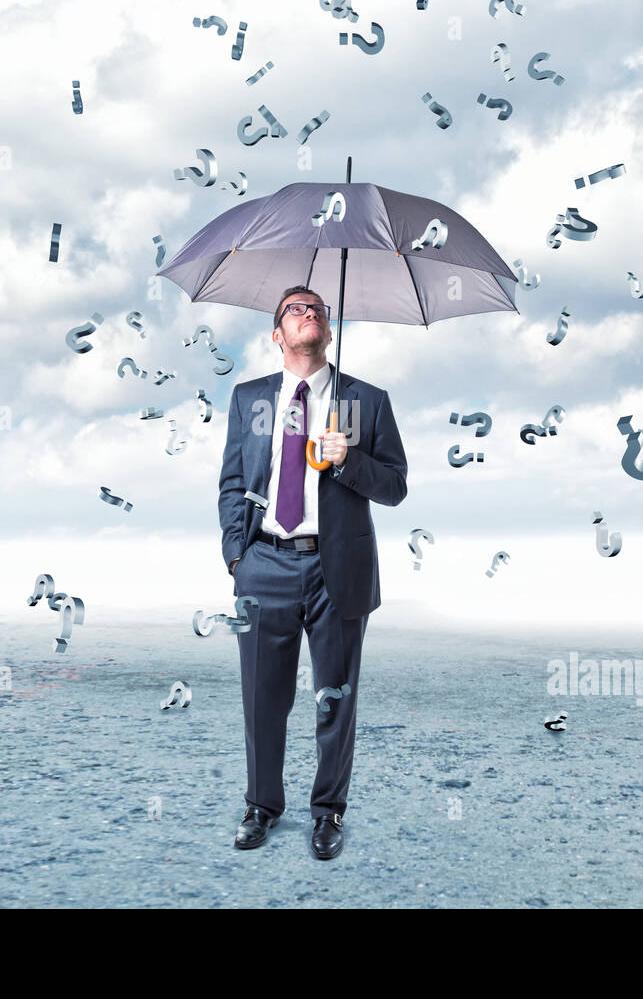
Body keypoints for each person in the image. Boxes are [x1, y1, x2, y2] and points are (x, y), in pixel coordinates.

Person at [218, 285, 408, 859]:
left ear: (328, 329)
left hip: (339, 570)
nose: (309, 313)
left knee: (336, 698)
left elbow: (396, 485)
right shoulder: (248, 398)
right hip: (265, 565)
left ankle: (328, 813)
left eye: (318, 308)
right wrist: (237, 557)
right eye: (296, 309)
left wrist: (349, 459)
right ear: (278, 334)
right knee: (263, 698)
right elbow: (233, 482)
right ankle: (262, 806)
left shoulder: (365, 402)